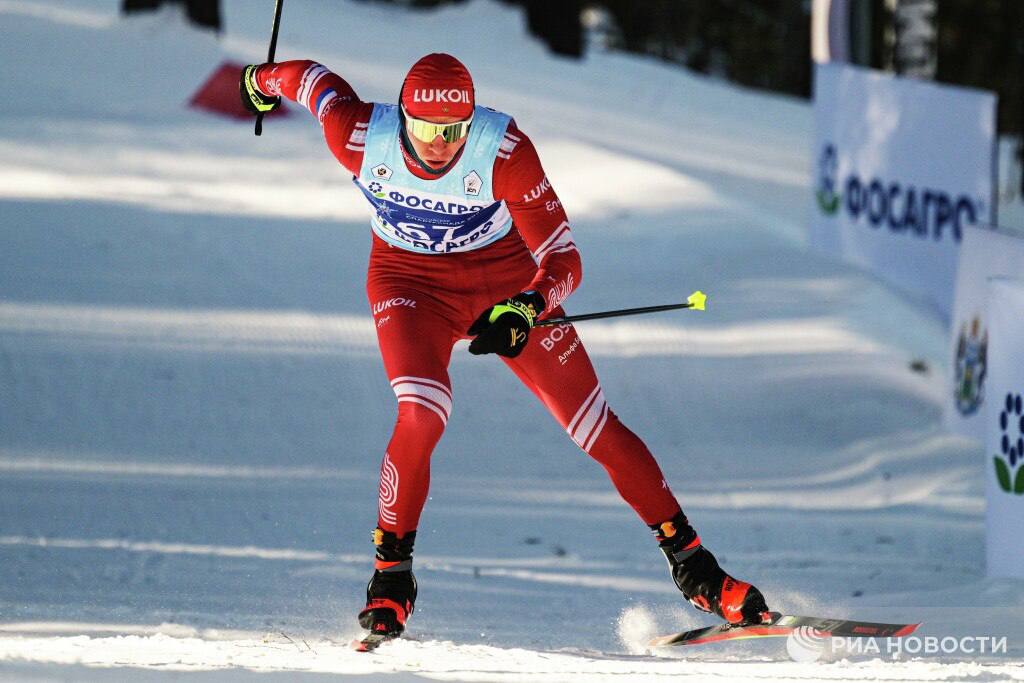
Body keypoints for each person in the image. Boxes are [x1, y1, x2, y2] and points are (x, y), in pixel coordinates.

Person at [240, 53, 771, 639]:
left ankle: (697, 570)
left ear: (470, 122)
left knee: (595, 426)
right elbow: (312, 81)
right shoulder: (361, 135)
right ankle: (391, 578)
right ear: (402, 121)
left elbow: (565, 258)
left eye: (453, 131)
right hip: (410, 284)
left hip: (504, 282)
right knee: (421, 410)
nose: (439, 145)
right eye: (424, 129)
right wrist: (258, 81)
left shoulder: (505, 150)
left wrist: (527, 306)